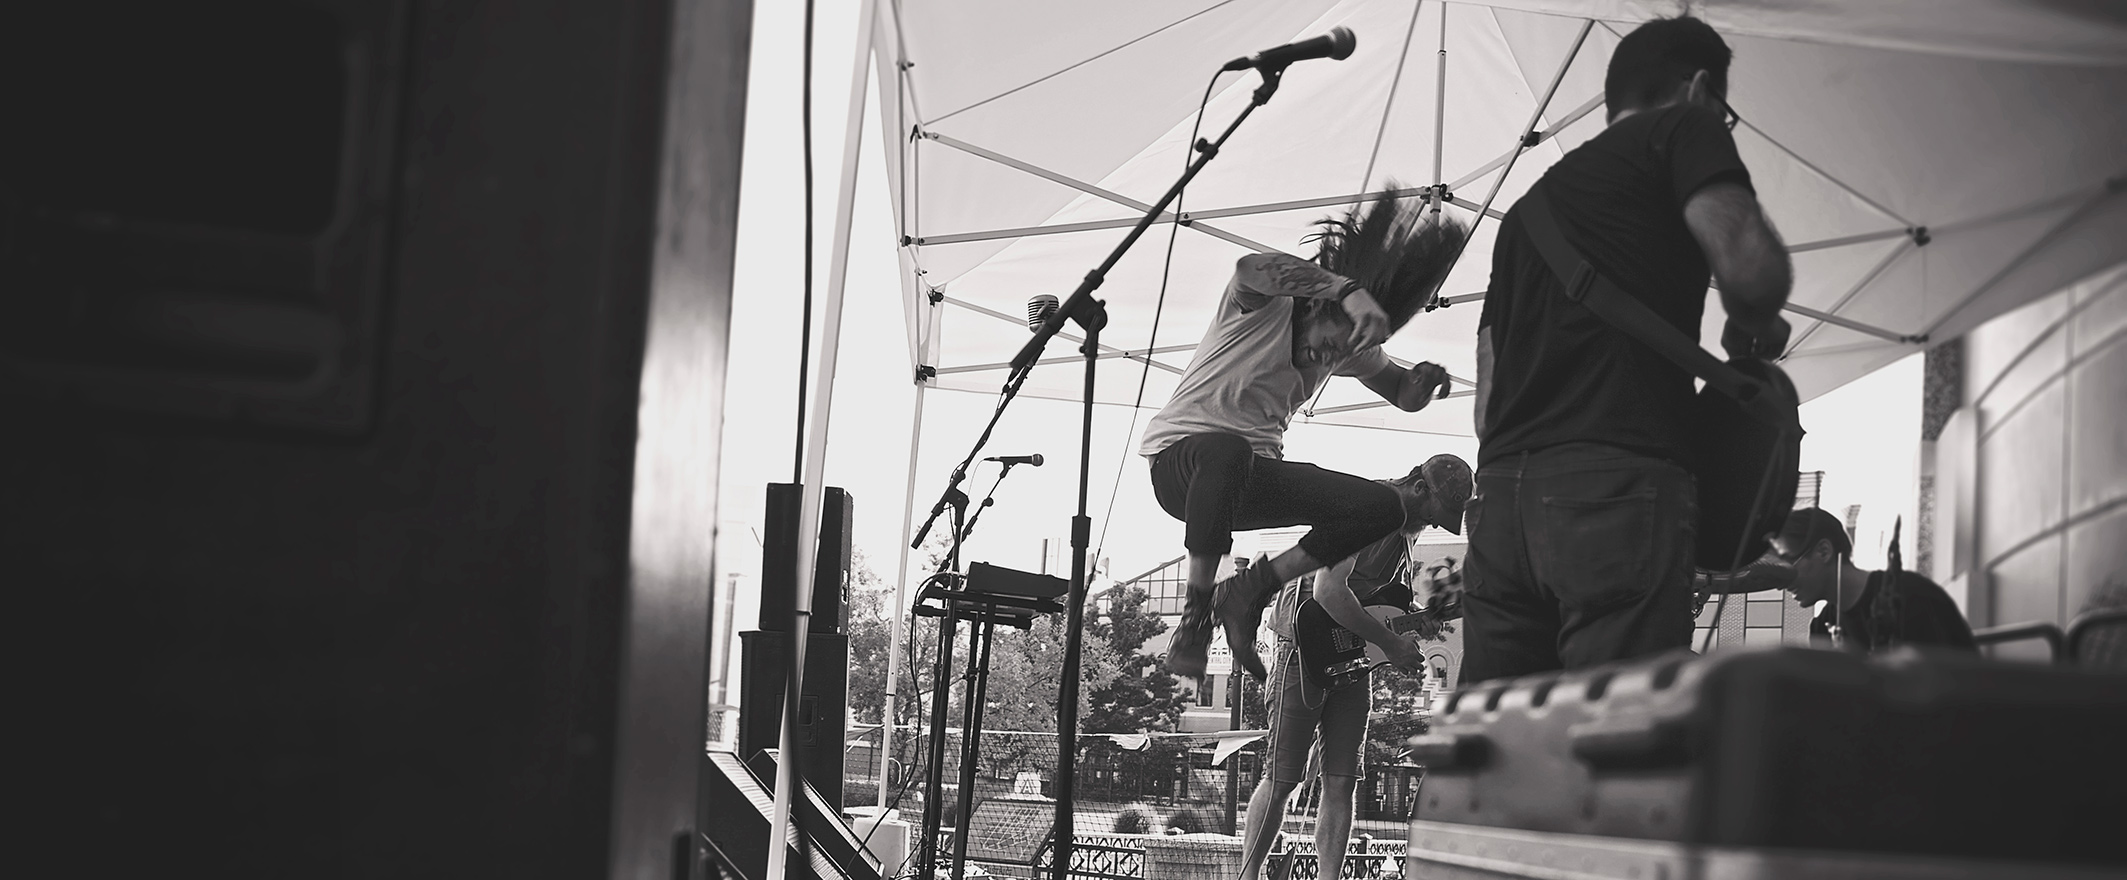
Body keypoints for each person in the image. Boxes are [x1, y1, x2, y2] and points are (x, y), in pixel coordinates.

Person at [1464, 16, 1794, 685]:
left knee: (1495, 737)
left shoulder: (1524, 214)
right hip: (1615, 491)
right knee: (1613, 732)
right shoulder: (1684, 127)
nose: (1720, 126)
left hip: (1500, 506)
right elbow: (1753, 275)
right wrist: (1755, 321)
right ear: (1698, 89)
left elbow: (1485, 404)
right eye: (1723, 114)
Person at [1144, 189, 1465, 681]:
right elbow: (1250, 267)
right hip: (1181, 468)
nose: (1328, 359)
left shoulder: (1349, 348)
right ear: (1318, 305)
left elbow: (1400, 391)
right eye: (1330, 343)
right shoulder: (1262, 307)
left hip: (1249, 481)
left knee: (1383, 507)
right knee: (1228, 451)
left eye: (1341, 353)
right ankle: (1197, 614)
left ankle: (1250, 589)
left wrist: (1419, 385)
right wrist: (1347, 289)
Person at [1235, 457, 1471, 880]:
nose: (1436, 524)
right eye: (1436, 514)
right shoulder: (1367, 507)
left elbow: (1374, 600)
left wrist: (1419, 618)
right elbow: (1328, 592)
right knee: (1283, 779)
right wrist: (1391, 644)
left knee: (1342, 781)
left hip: (1351, 660)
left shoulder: (1405, 530)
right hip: (1301, 650)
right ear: (1419, 488)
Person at [1770, 507, 1977, 653]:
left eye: (1788, 563)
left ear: (1824, 551)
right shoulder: (1821, 628)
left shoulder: (1911, 596)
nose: (1781, 582)